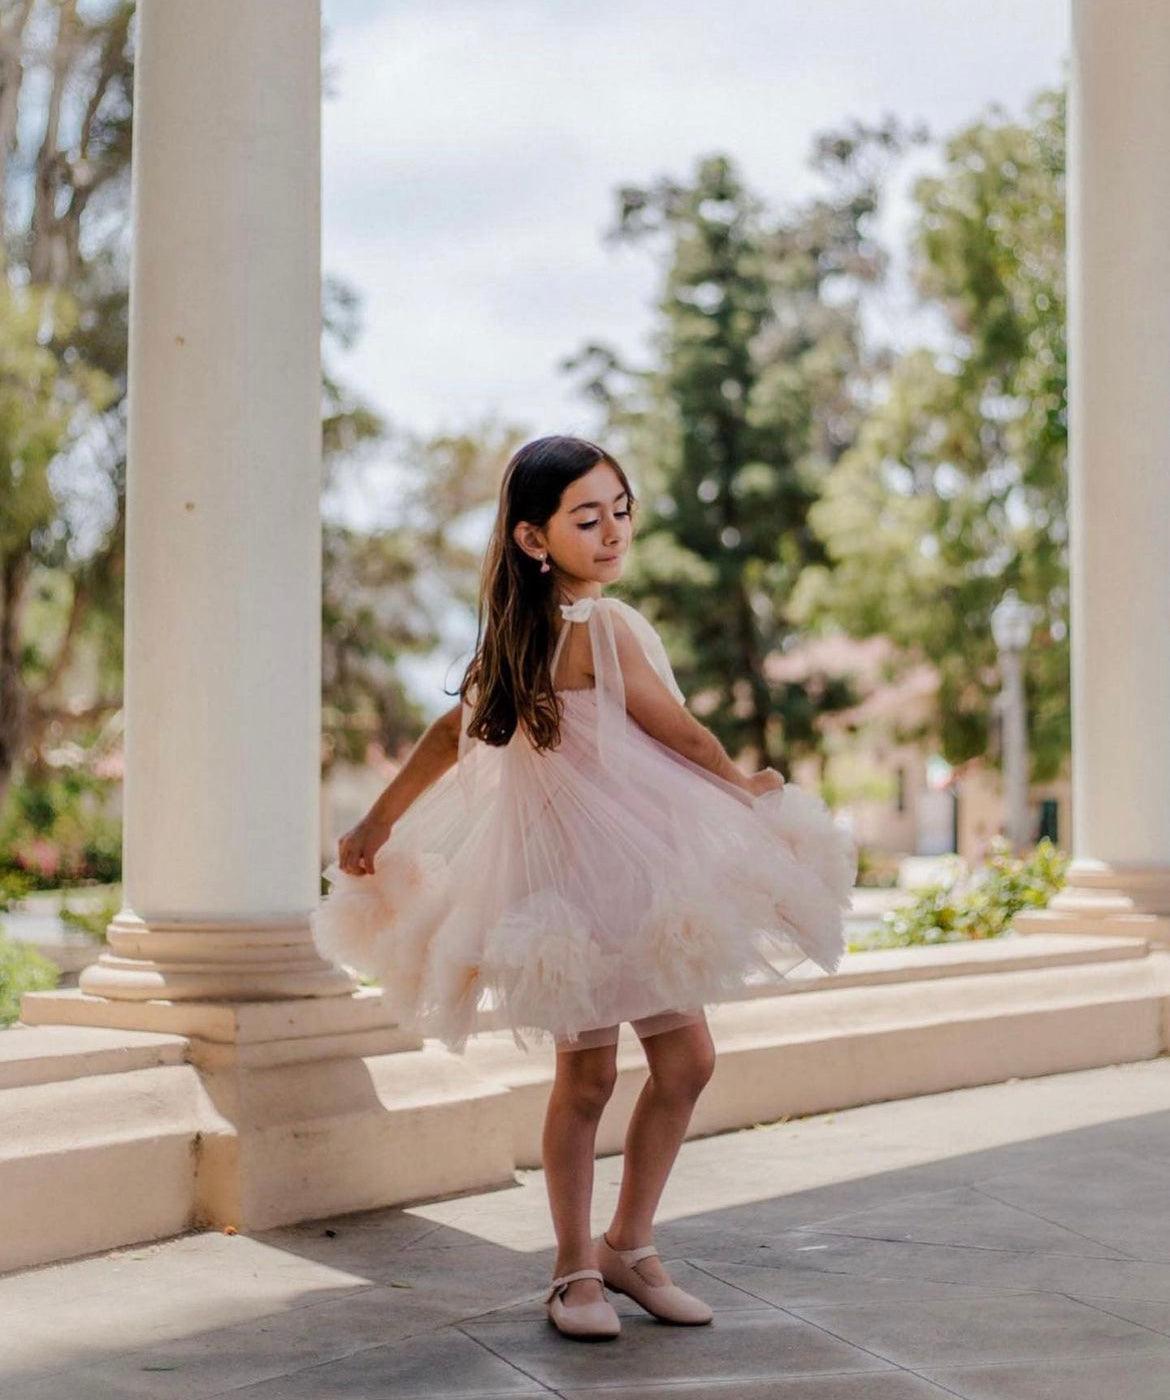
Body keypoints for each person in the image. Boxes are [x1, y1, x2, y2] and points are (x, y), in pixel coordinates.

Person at [310, 434, 857, 1340]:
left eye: (621, 511)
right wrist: (740, 782)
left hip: (627, 867)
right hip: (572, 877)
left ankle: (626, 1247)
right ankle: (573, 1270)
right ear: (534, 538)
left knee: (676, 1061)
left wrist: (376, 823)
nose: (613, 533)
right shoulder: (588, 629)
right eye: (587, 518)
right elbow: (669, 729)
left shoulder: (558, 628)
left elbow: (456, 733)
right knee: (591, 1073)